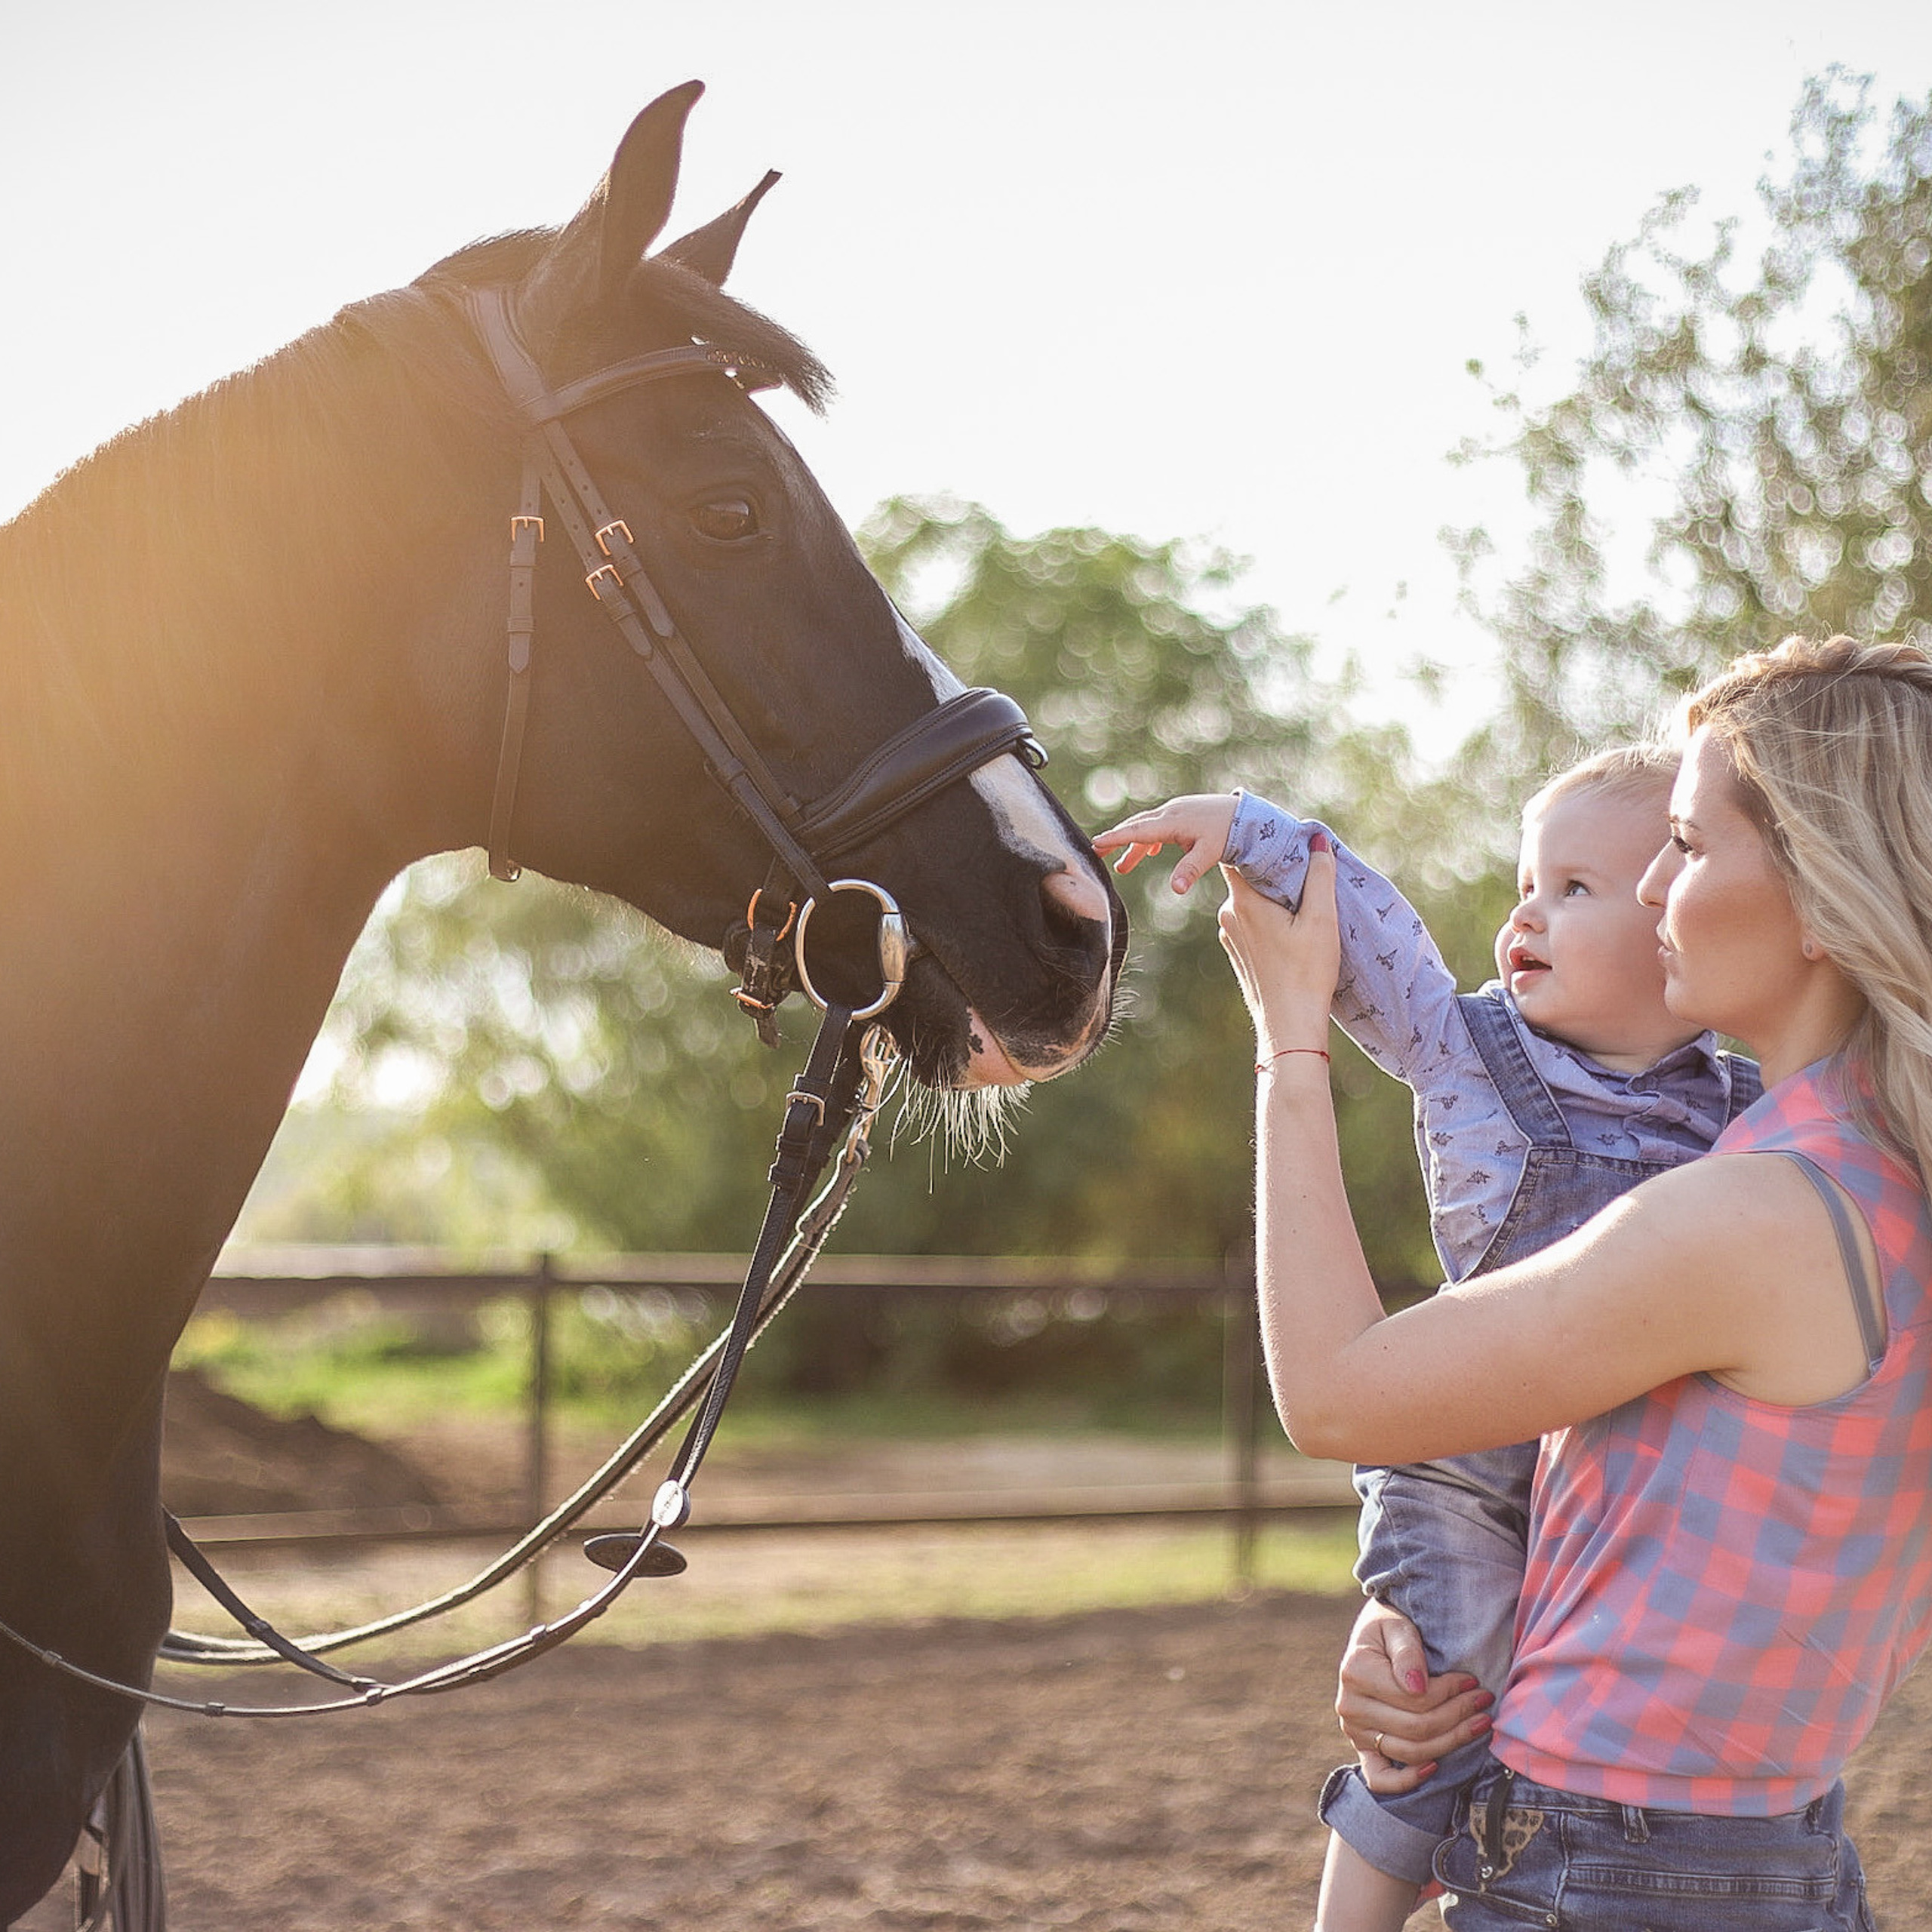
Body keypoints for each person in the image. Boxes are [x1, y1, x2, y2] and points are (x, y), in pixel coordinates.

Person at [1213, 635, 1932, 1930]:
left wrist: (1293, 1042)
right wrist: (1441, 1626)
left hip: (1609, 1870)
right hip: (1786, 1853)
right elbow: (1682, 1538)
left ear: (1825, 898)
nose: (1654, 887)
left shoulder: (1754, 1215)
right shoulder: (1867, 1177)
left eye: (1689, 846)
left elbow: (1331, 1398)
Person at [1097, 752, 1760, 1930]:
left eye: (1576, 889)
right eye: (1525, 882)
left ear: (1672, 933)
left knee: (1550, 1709)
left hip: (1619, 1476)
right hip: (1465, 1460)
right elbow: (1373, 934)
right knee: (1440, 1696)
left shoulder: (1745, 1102)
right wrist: (1253, 831)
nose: (1525, 914)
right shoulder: (1470, 1054)